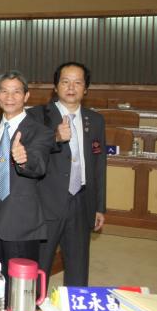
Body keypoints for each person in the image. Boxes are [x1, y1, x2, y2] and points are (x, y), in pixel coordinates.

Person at [0, 70, 54, 283]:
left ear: (26, 96)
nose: (10, 97)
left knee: (21, 289)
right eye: (4, 91)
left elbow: (39, 165)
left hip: (22, 223)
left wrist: (24, 159)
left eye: (16, 92)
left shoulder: (41, 132)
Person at [27, 62, 106, 286]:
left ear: (86, 88)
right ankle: (35, 305)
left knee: (78, 267)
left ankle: (74, 305)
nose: (71, 87)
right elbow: (29, 155)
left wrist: (99, 206)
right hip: (46, 202)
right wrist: (55, 137)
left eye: (78, 82)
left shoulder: (95, 120)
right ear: (55, 86)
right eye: (65, 81)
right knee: (40, 266)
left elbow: (99, 164)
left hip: (81, 201)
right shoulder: (36, 116)